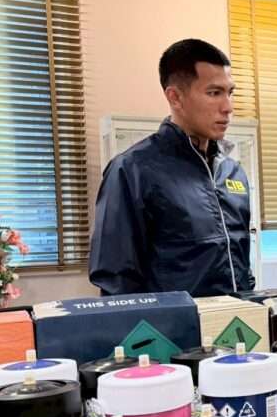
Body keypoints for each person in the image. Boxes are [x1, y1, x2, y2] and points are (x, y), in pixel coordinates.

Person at [89, 38, 255, 296]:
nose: (228, 107)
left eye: (229, 92)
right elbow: (117, 282)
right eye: (214, 93)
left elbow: (242, 265)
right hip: (175, 321)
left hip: (237, 319)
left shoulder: (233, 172)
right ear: (175, 97)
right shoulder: (132, 170)